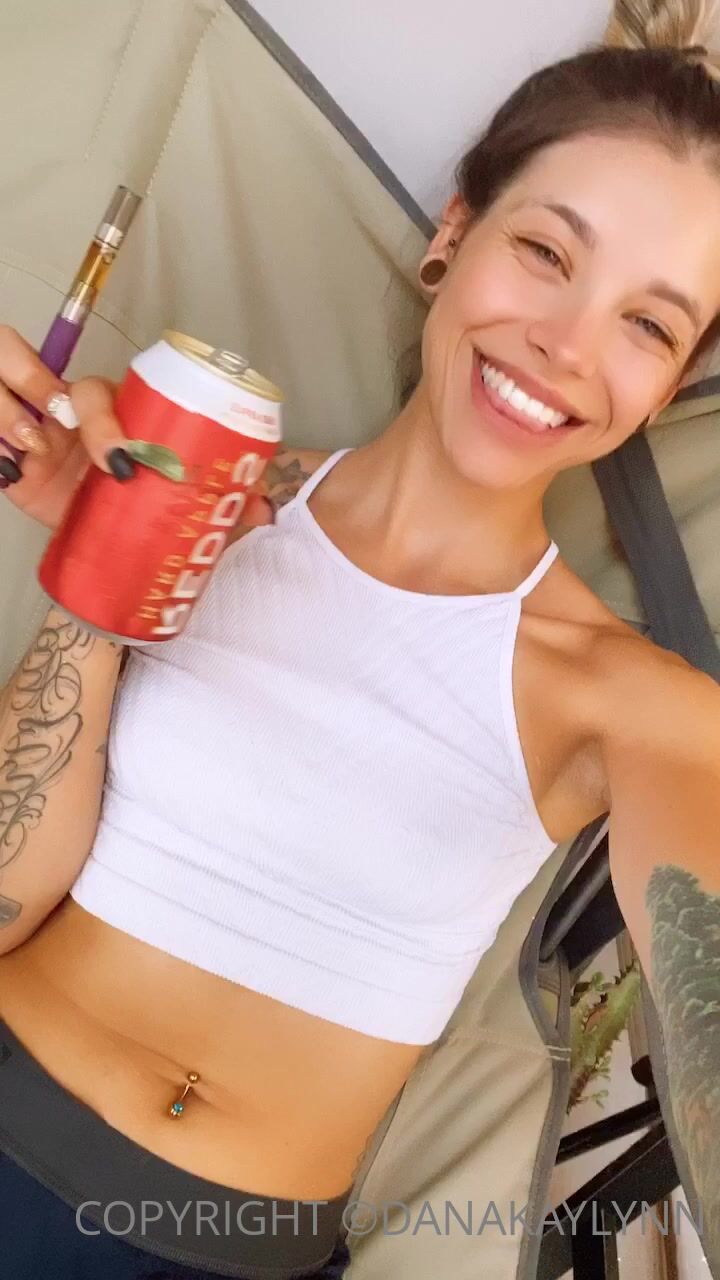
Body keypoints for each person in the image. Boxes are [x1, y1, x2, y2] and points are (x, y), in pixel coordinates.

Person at [2, 0, 720, 1276]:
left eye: (649, 325)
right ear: (452, 234)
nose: (566, 347)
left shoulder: (636, 700)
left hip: (218, 1246)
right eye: (546, 252)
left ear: (668, 388)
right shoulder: (207, 501)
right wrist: (102, 572)